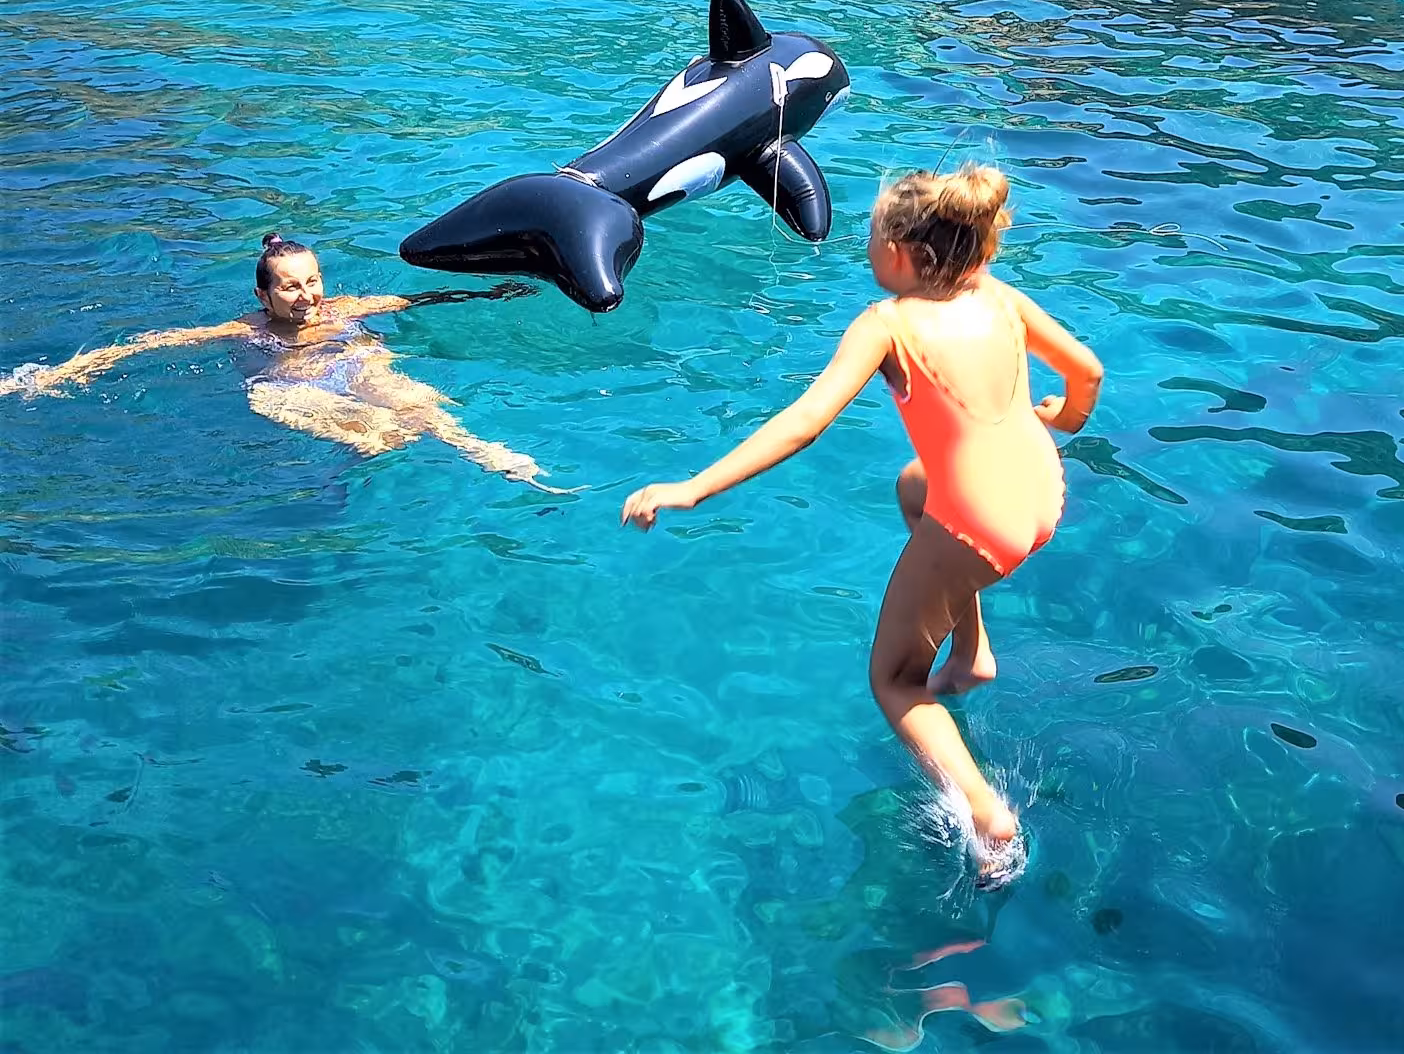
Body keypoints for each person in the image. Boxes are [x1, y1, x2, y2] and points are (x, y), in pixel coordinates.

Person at [621, 165, 1104, 865]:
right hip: (1040, 493)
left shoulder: (887, 324)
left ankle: (987, 815)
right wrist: (1065, 418)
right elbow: (1086, 371)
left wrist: (694, 487)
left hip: (979, 525)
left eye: (873, 238)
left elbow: (804, 423)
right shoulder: (1000, 299)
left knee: (895, 681)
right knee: (915, 487)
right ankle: (972, 653)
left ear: (904, 255)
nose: (866, 248)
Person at [5, 232, 548, 481]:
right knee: (386, 436)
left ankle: (485, 453)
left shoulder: (349, 309)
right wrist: (54, 374)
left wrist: (495, 292)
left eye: (312, 281)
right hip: (289, 388)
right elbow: (150, 344)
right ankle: (350, 466)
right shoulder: (242, 328)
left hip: (352, 364)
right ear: (263, 296)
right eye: (290, 287)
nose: (308, 296)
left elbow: (422, 297)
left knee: (422, 409)